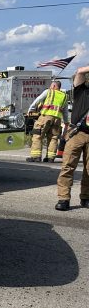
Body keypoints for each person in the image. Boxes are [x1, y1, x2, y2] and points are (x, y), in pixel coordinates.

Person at [55, 64, 89, 211]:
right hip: (77, 133)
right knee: (68, 166)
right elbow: (80, 71)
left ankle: (86, 197)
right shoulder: (81, 90)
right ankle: (63, 199)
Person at [26, 81, 69, 162]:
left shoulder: (48, 92)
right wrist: (66, 122)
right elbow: (65, 112)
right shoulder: (65, 96)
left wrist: (30, 110)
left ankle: (36, 156)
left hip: (45, 117)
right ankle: (50, 158)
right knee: (53, 137)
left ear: (53, 85)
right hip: (57, 120)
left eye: (51, 85)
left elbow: (37, 100)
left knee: (37, 135)